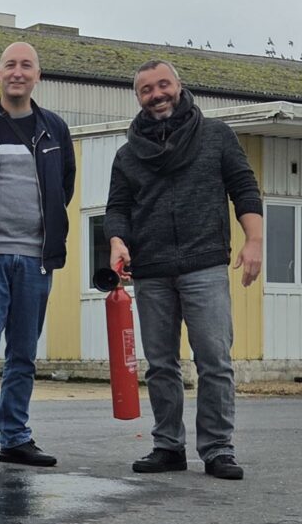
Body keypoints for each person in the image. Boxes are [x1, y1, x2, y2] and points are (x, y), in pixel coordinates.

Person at [106, 60, 262, 480]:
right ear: (138, 98)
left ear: (179, 86)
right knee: (160, 364)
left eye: (163, 85)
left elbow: (244, 187)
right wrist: (117, 240)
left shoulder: (216, 135)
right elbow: (117, 208)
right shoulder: (127, 154)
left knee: (214, 361)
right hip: (151, 270)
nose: (157, 95)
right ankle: (168, 446)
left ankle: (218, 449)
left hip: (204, 264)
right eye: (146, 90)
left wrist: (254, 240)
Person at [0, 42, 75, 472]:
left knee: (23, 354)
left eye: (26, 65)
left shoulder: (55, 129)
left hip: (34, 260)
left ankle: (16, 438)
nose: (18, 72)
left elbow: (64, 186)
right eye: (10, 65)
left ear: (38, 75)